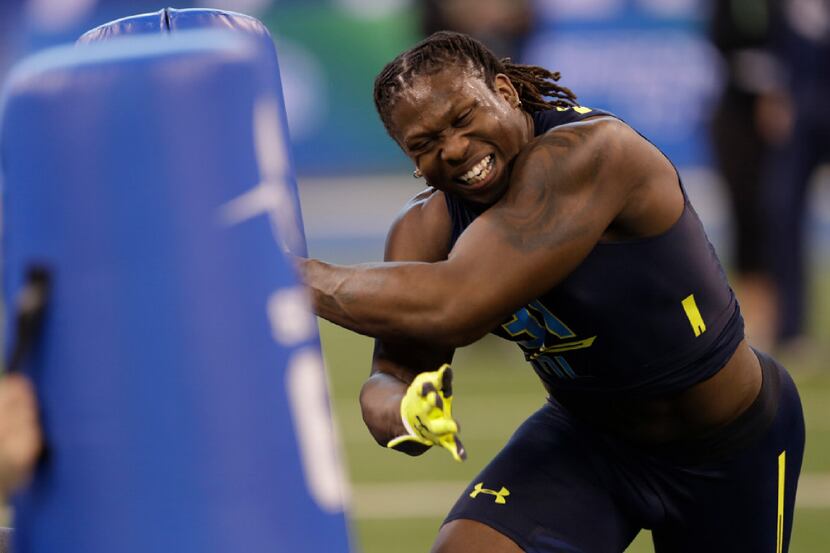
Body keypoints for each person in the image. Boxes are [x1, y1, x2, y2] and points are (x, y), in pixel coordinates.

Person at [300, 31, 805, 552]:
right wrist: (402, 409)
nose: (452, 150)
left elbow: (457, 303)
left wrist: (284, 274)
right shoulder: (422, 227)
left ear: (505, 91)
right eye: (424, 144)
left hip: (725, 445)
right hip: (588, 440)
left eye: (462, 118)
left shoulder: (591, 151)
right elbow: (393, 370)